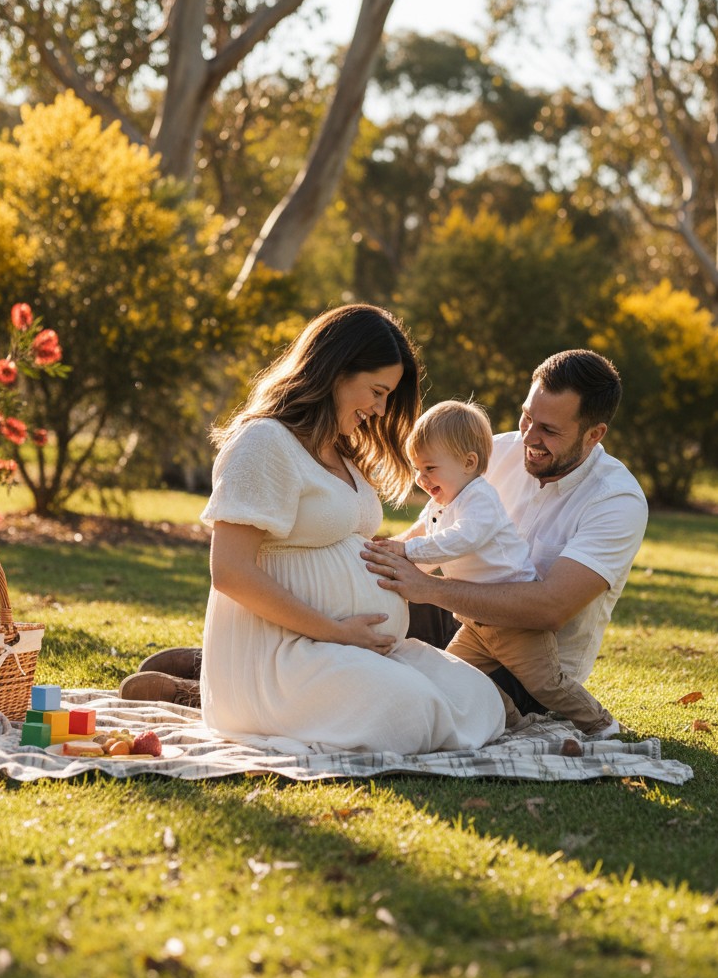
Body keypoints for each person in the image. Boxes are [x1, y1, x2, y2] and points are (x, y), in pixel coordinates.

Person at [119, 304, 504, 754]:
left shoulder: (339, 449)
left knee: (480, 701)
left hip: (349, 646)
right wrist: (336, 631)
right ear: (338, 370)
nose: (381, 410)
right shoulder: (264, 442)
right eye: (377, 391)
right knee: (411, 714)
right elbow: (230, 572)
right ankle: (212, 696)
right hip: (279, 654)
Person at [361, 349, 648, 723]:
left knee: (422, 703)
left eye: (549, 430)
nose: (530, 436)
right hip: (464, 619)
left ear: (594, 435)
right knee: (372, 619)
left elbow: (551, 608)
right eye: (528, 417)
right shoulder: (496, 451)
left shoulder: (616, 500)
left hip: (529, 659)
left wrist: (427, 589)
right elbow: (431, 527)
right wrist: (378, 559)